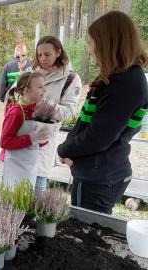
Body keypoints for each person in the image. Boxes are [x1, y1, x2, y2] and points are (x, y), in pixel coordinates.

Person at [58, 11, 148, 214]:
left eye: (90, 43)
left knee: (86, 234)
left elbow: (98, 137)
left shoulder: (126, 82)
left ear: (107, 43)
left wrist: (64, 150)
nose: (89, 50)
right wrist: (69, 149)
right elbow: (86, 122)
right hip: (96, 172)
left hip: (98, 178)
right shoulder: (117, 77)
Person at [27, 35, 82, 197]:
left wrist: (42, 105)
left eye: (47, 54)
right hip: (20, 135)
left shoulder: (71, 78)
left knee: (37, 191)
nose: (42, 59)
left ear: (58, 52)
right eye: (39, 54)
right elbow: (14, 97)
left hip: (44, 140)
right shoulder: (30, 73)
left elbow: (68, 112)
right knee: (14, 190)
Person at [0, 72, 51, 189]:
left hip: (30, 166)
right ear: (27, 90)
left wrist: (44, 136)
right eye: (40, 87)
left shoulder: (37, 110)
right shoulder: (16, 112)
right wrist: (32, 138)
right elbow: (5, 142)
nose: (45, 90)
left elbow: (39, 142)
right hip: (14, 167)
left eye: (44, 86)